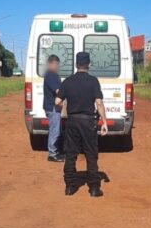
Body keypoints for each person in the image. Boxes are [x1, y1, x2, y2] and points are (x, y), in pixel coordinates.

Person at [55, 52, 109, 197]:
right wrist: (104, 121)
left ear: (76, 65)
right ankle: (94, 188)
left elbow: (57, 102)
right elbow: (99, 103)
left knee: (71, 154)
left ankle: (70, 187)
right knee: (91, 154)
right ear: (89, 64)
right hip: (88, 121)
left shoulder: (68, 81)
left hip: (72, 121)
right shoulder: (93, 81)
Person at [43, 55, 64, 162]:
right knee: (54, 131)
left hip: (54, 107)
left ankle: (55, 151)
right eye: (57, 64)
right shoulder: (51, 75)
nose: (58, 66)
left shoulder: (52, 75)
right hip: (52, 107)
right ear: (52, 63)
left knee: (56, 130)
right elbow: (58, 91)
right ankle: (52, 154)